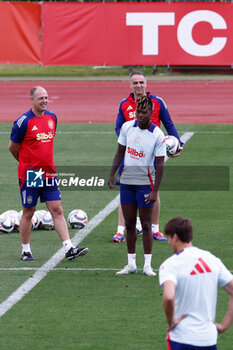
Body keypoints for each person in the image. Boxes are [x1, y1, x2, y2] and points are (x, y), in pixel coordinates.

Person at [8, 86, 88, 261]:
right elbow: (13, 147)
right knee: (29, 211)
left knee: (57, 209)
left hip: (49, 172)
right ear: (32, 100)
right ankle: (26, 251)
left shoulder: (52, 118)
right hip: (31, 174)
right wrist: (26, 164)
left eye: (46, 97)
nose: (44, 100)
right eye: (40, 98)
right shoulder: (23, 122)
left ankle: (69, 248)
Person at [112, 71, 183, 243]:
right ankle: (120, 231)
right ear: (130, 85)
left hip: (151, 155)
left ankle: (155, 229)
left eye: (141, 82)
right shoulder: (124, 104)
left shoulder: (158, 102)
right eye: (135, 83)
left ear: (146, 83)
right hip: (130, 156)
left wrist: (178, 144)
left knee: (154, 191)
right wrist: (126, 142)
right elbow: (118, 127)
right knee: (125, 191)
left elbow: (169, 124)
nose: (138, 86)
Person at [108, 96, 166, 276]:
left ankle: (147, 265)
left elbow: (160, 164)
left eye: (143, 112)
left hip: (144, 184)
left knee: (147, 224)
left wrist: (155, 191)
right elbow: (120, 152)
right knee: (130, 224)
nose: (140, 115)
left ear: (151, 112)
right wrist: (112, 175)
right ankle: (131, 264)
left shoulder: (157, 135)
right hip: (126, 183)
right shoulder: (127, 127)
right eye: (138, 112)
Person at [159, 216, 233, 349]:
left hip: (181, 338)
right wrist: (223, 326)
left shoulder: (170, 264)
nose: (169, 243)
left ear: (175, 237)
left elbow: (169, 297)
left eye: (169, 238)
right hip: (208, 339)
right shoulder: (212, 259)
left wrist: (171, 323)